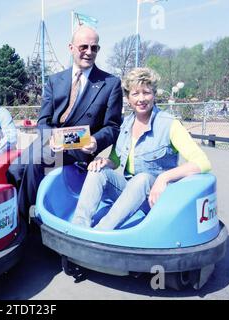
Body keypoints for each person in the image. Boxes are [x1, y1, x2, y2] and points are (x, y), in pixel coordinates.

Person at [6, 26, 123, 222]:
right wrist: (50, 137)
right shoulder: (54, 80)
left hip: (80, 146)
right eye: (83, 47)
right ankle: (12, 213)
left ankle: (23, 222)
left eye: (95, 48)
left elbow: (113, 126)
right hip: (51, 140)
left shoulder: (110, 83)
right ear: (71, 47)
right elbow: (43, 121)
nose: (89, 52)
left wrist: (96, 140)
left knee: (36, 163)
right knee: (14, 169)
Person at [71, 67, 212, 230]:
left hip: (156, 197)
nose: (141, 99)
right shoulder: (124, 125)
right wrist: (104, 162)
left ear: (154, 95)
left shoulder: (169, 124)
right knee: (97, 172)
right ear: (128, 98)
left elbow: (203, 162)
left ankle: (101, 232)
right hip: (128, 192)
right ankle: (79, 226)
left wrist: (163, 178)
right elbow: (116, 160)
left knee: (143, 178)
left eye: (146, 92)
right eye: (135, 93)